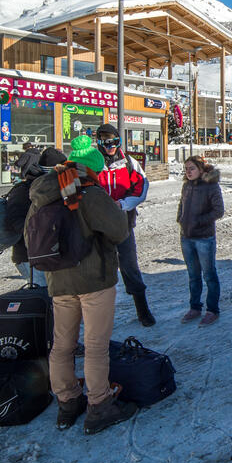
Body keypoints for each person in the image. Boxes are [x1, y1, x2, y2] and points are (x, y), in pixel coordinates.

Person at [27, 135, 135, 434]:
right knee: (95, 346)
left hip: (58, 280)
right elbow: (119, 230)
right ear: (91, 168)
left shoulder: (42, 192)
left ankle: (66, 403)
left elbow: (30, 236)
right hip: (93, 278)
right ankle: (99, 405)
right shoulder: (88, 191)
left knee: (61, 345)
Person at [93, 123, 155, 327]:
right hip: (98, 227)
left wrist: (124, 204)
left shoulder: (127, 161)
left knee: (129, 266)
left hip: (123, 223)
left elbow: (141, 185)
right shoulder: (91, 163)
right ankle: (99, 315)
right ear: (99, 142)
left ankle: (142, 308)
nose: (110, 146)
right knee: (100, 270)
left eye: (114, 141)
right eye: (106, 142)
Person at [6, 146, 68, 285]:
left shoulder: (54, 187)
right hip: (31, 256)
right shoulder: (25, 190)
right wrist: (43, 234)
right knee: (45, 297)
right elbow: (16, 222)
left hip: (46, 254)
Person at [176, 156, 225, 326]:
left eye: (192, 168)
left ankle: (212, 310)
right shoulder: (186, 186)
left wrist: (199, 220)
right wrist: (181, 219)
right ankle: (195, 307)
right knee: (193, 275)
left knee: (209, 275)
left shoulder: (211, 186)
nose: (188, 172)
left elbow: (219, 211)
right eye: (186, 168)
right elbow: (181, 205)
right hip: (186, 237)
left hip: (204, 238)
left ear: (201, 169)